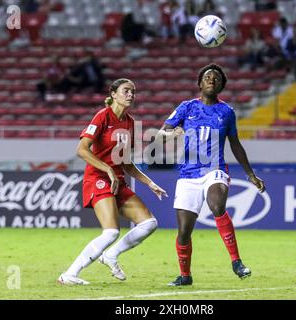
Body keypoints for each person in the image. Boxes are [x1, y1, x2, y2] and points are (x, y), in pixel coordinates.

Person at [157, 64, 265, 286]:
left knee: (217, 206)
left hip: (214, 169)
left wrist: (250, 175)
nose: (211, 80)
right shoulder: (186, 108)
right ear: (199, 83)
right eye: (207, 77)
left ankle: (236, 262)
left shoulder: (227, 112)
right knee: (184, 232)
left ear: (221, 86)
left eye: (216, 78)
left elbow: (235, 144)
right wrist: (173, 132)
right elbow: (161, 134)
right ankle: (185, 275)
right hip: (187, 174)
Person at [58, 78, 167, 285]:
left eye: (133, 92)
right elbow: (81, 150)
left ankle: (110, 255)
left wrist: (149, 182)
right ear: (113, 94)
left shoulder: (131, 124)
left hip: (118, 181)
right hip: (98, 178)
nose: (130, 95)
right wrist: (107, 168)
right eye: (126, 91)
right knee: (111, 232)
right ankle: (69, 274)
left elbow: (126, 163)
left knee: (149, 223)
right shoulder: (102, 116)